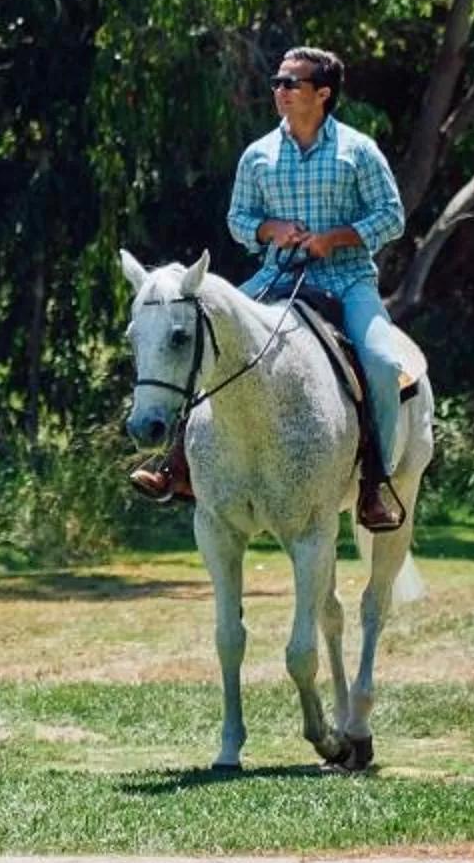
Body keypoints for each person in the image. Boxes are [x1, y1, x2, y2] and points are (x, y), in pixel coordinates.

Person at [132, 45, 412, 531]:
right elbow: (239, 219)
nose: (279, 91)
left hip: (347, 280)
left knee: (384, 364)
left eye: (291, 84)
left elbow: (392, 216)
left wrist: (335, 238)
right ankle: (177, 465)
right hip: (275, 277)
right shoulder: (258, 155)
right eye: (277, 82)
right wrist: (271, 231)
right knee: (207, 336)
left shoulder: (358, 150)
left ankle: (373, 484)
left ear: (322, 94)